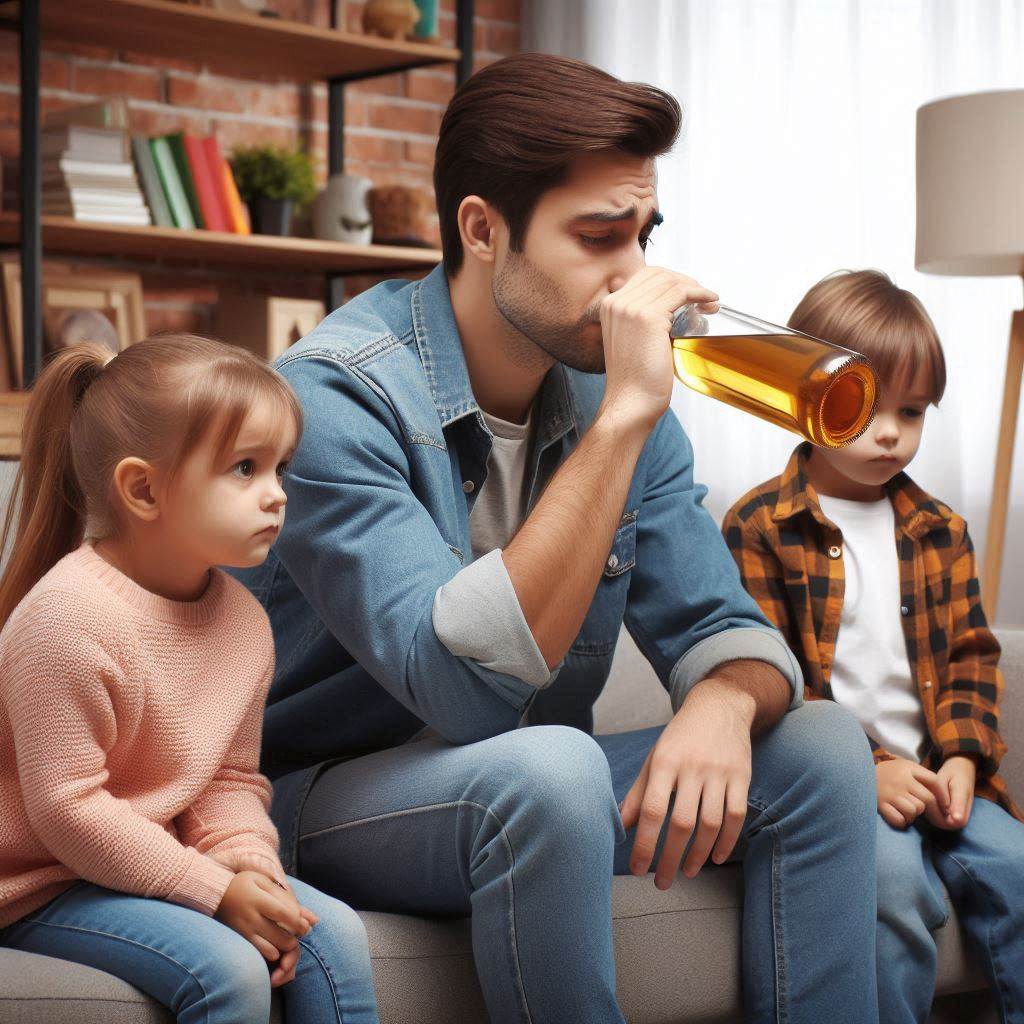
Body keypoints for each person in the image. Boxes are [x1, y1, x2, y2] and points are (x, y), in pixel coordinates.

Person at [233, 54, 879, 1023]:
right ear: (483, 230)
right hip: (314, 800)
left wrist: (721, 703)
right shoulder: (334, 399)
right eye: (597, 238)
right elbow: (460, 693)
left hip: (537, 788)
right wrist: (622, 419)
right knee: (553, 764)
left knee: (821, 745)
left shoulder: (618, 392)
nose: (635, 280)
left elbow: (725, 627)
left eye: (644, 235)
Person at [0, 335, 379, 1024]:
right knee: (231, 970)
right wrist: (212, 890)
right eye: (244, 468)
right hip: (39, 882)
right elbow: (68, 811)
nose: (277, 496)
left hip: (148, 862)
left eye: (280, 468)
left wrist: (250, 868)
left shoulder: (243, 622)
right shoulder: (65, 619)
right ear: (143, 488)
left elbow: (226, 783)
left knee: (335, 937)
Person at [722, 269, 1024, 1023]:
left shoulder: (940, 530)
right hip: (840, 788)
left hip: (942, 776)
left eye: (913, 411)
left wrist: (960, 756)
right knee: (888, 887)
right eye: (864, 408)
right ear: (803, 398)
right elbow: (771, 682)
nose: (891, 432)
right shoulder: (759, 526)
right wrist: (873, 770)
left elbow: (971, 658)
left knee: (1016, 866)